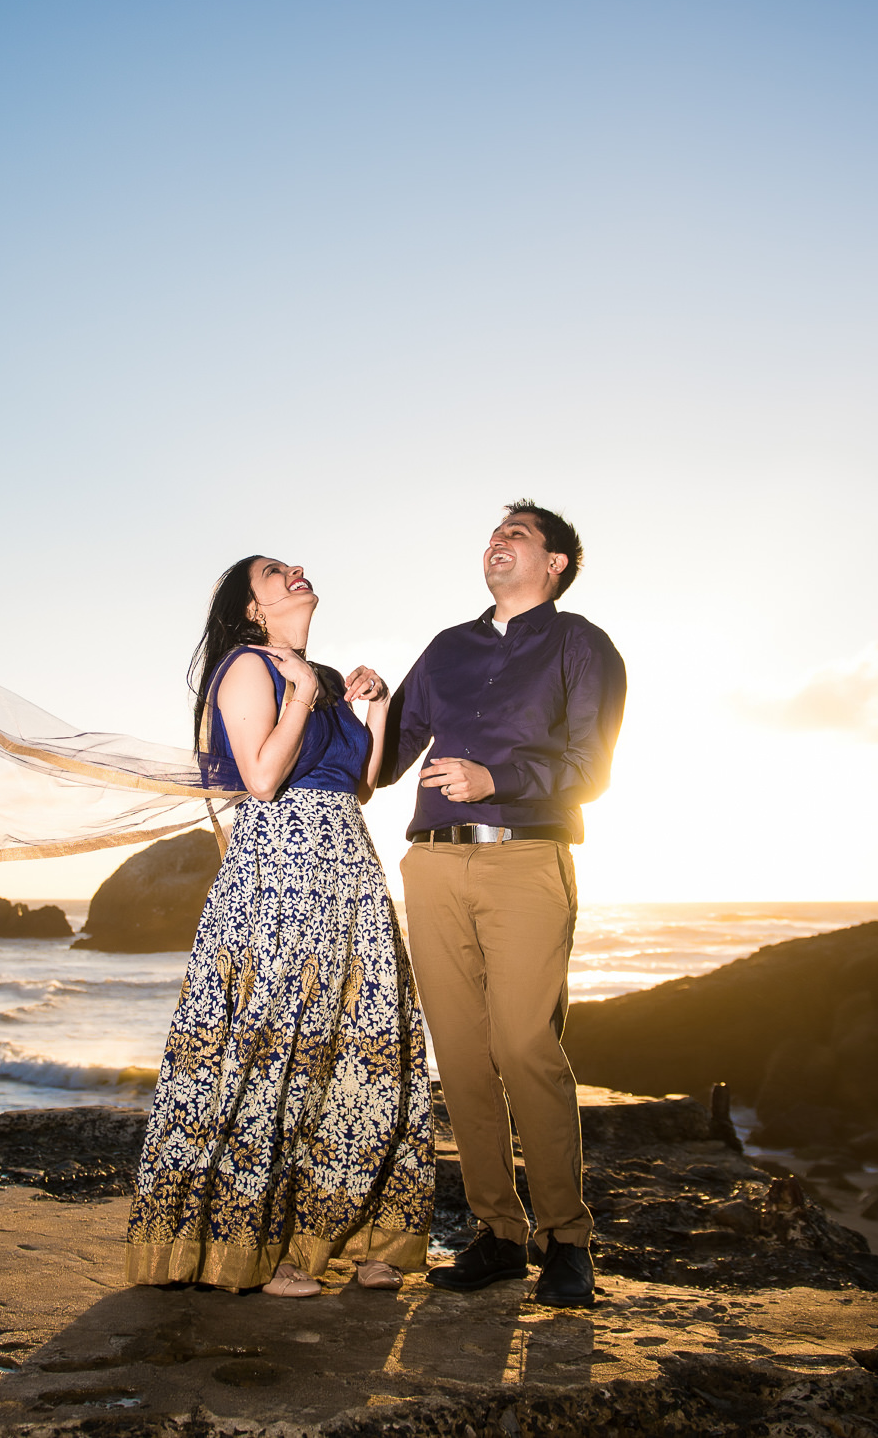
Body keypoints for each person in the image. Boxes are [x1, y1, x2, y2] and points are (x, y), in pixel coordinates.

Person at [126, 556, 433, 1297]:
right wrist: (297, 695)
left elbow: (359, 782)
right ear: (253, 607)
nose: (297, 569)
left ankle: (357, 1239)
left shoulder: (318, 672)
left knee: (366, 1043)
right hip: (281, 871)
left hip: (349, 867)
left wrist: (376, 707)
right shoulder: (246, 667)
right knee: (280, 1049)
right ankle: (256, 1249)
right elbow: (262, 778)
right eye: (274, 570)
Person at [377, 502, 626, 1309]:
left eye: (517, 533)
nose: (498, 541)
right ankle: (499, 1232)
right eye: (494, 532)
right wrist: (369, 709)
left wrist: (498, 782)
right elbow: (384, 765)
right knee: (460, 1054)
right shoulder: (447, 648)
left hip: (525, 861)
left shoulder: (580, 644)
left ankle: (566, 1238)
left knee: (525, 1044)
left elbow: (592, 769)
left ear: (555, 563)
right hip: (433, 866)